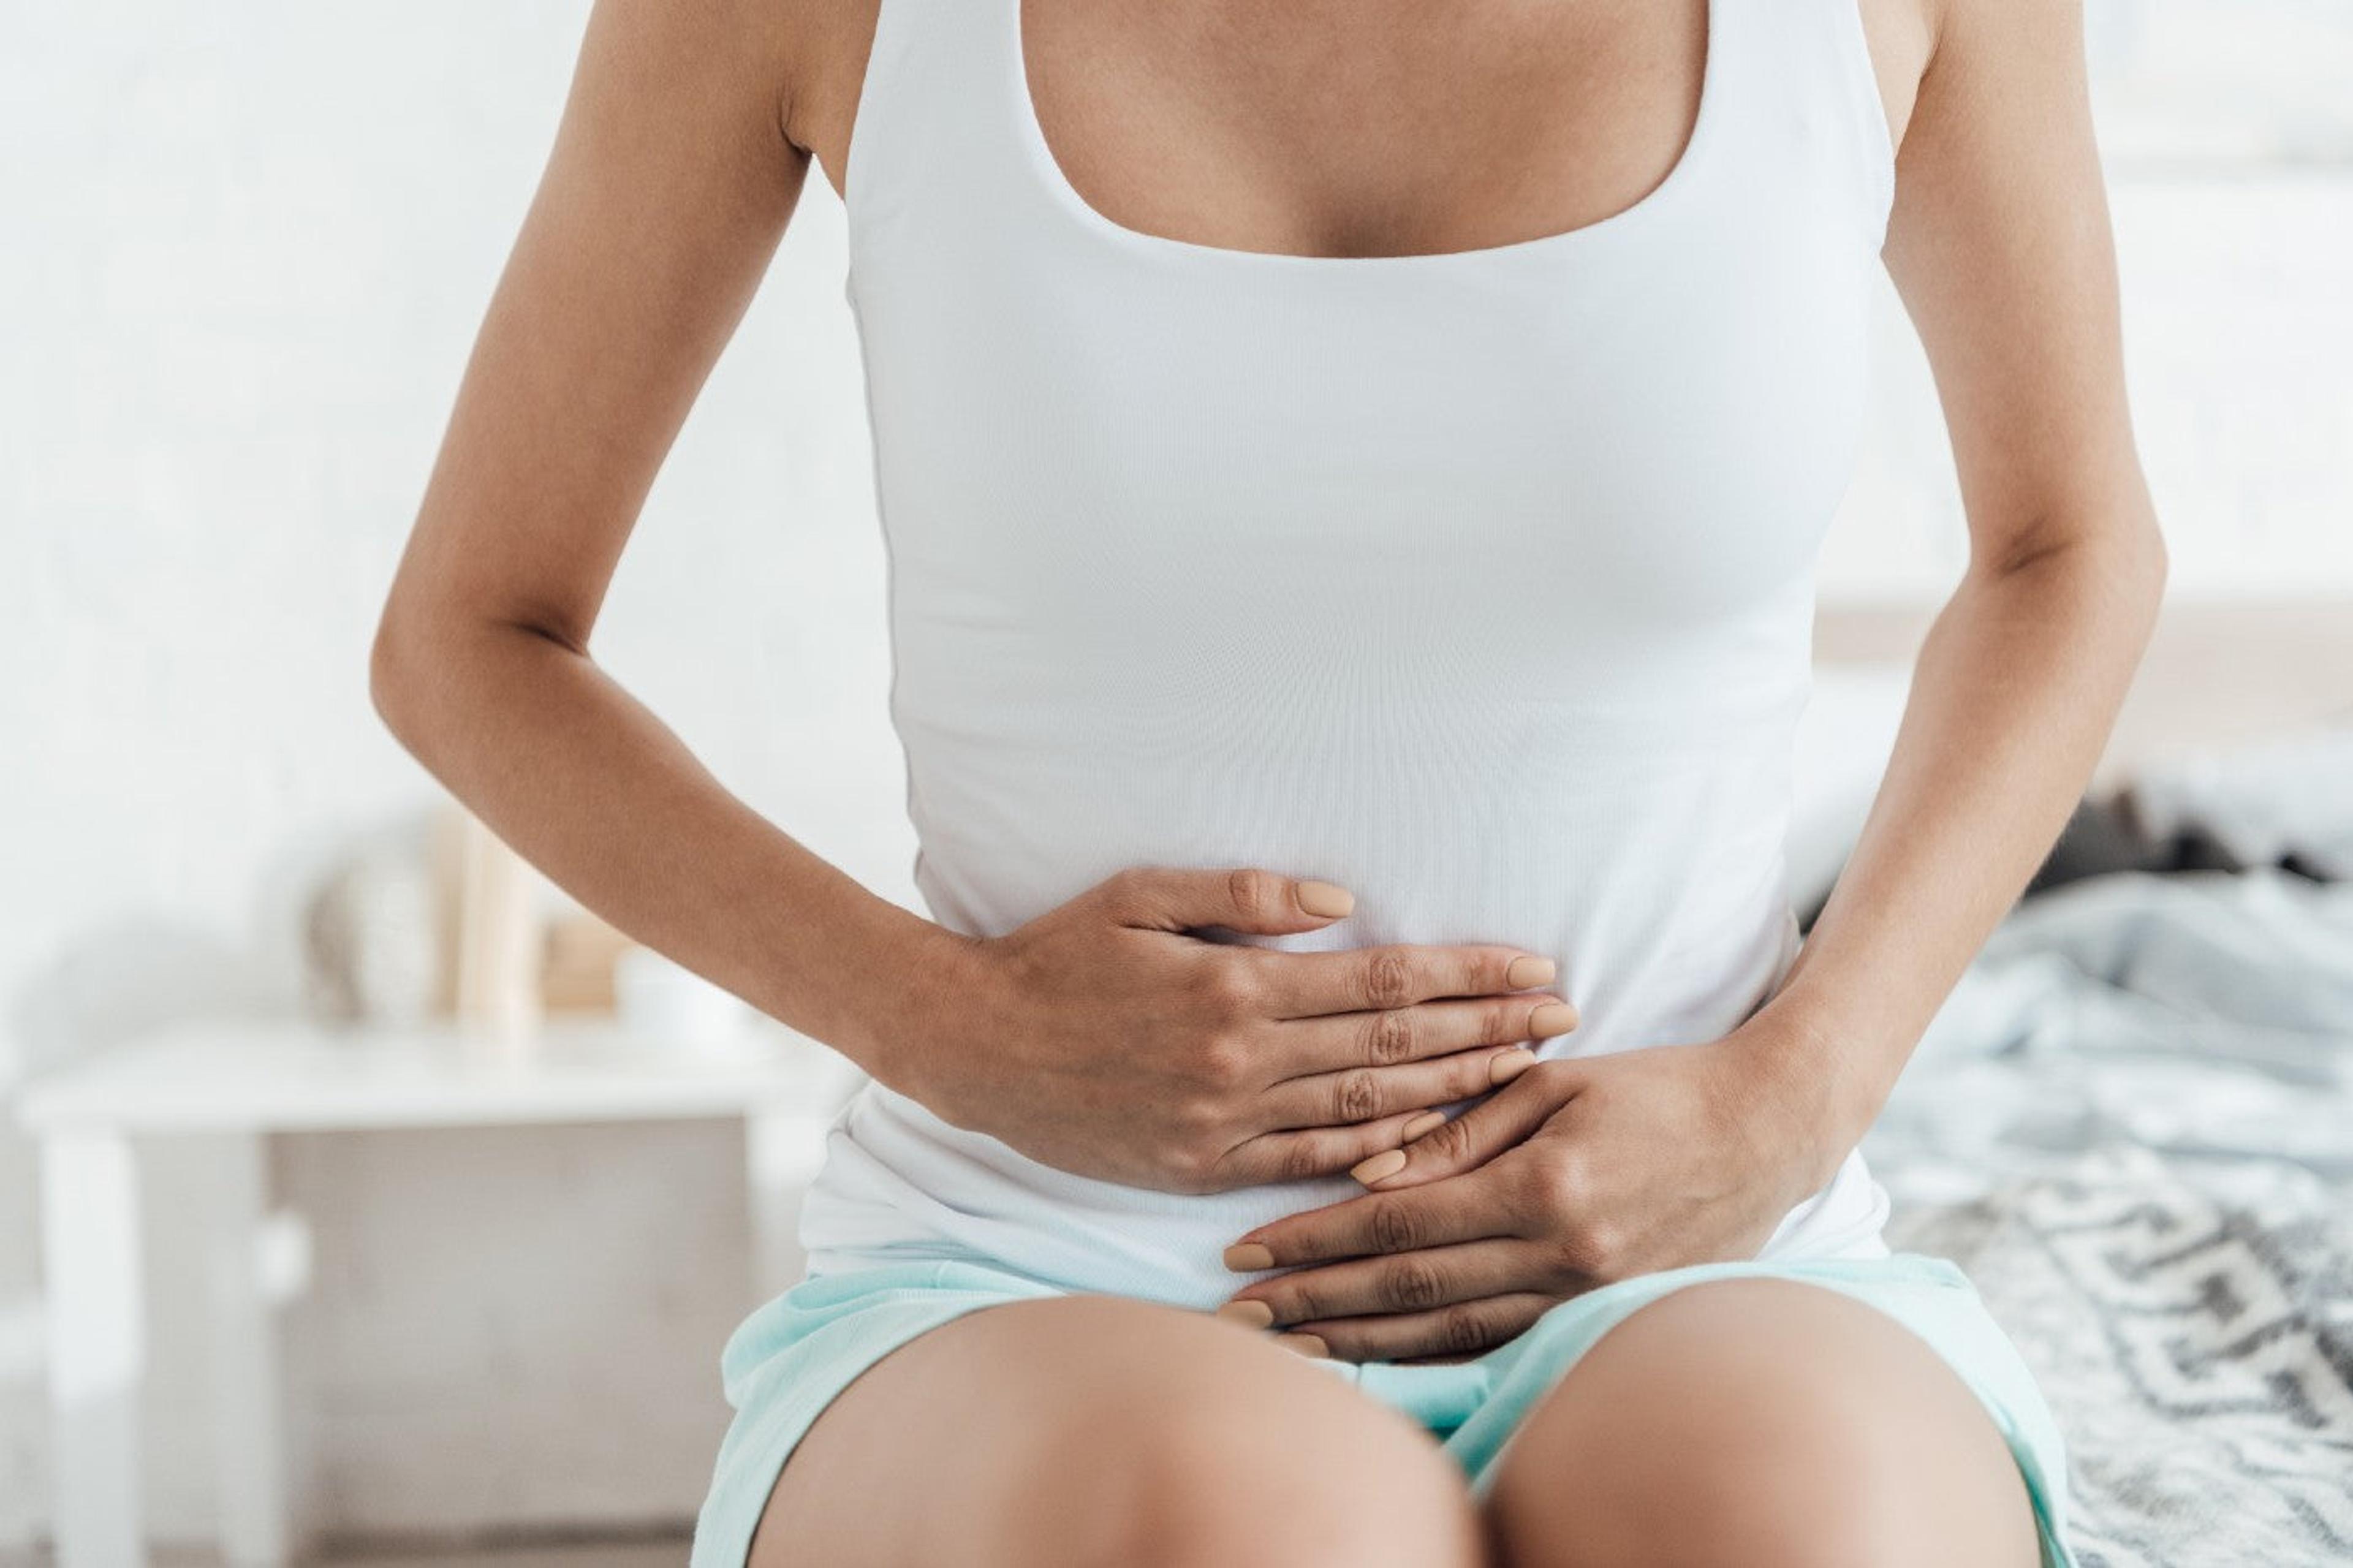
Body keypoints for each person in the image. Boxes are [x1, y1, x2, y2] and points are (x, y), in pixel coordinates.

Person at [369, 0, 2167, 1560]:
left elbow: (2067, 548)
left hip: (1706, 1249)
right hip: (1038, 1266)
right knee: (1252, 1538)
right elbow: (474, 635)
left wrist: (1798, 1093)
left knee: (1787, 1532)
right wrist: (943, 1020)